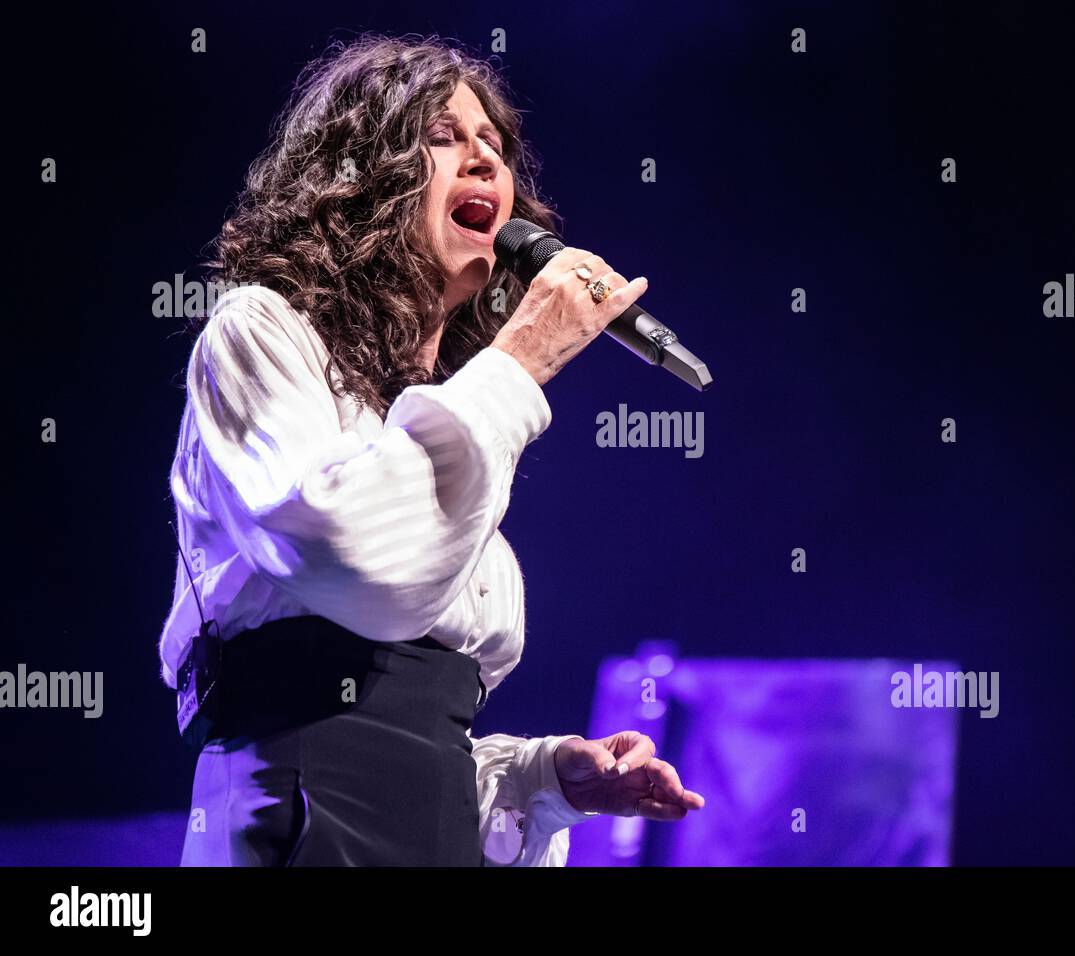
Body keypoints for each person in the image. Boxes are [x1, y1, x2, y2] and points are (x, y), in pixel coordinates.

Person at [158, 33, 703, 866]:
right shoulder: (259, 334)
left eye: (494, 143)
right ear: (359, 182)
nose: (484, 157)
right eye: (443, 137)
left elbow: (415, 748)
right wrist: (519, 361)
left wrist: (544, 780)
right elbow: (353, 563)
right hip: (299, 825)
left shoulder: (434, 423)